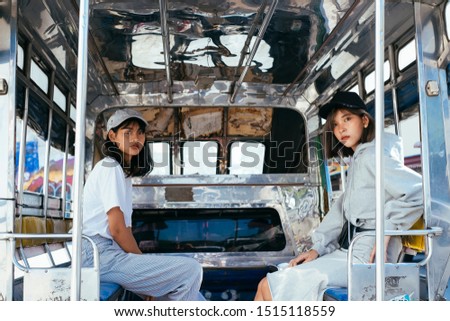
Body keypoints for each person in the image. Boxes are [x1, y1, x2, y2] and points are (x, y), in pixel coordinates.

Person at [254, 91, 423, 301]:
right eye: (335, 124)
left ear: (364, 120)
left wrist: (387, 230)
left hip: (365, 256)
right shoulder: (359, 159)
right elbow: (340, 212)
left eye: (347, 119)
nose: (340, 128)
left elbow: (417, 191)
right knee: (270, 282)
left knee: (270, 286)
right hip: (349, 250)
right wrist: (317, 249)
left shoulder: (372, 156)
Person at [81, 108, 205, 300]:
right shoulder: (109, 167)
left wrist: (146, 278)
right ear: (112, 136)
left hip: (110, 254)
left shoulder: (123, 175)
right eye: (127, 132)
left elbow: (125, 231)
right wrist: (142, 263)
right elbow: (117, 230)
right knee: (191, 270)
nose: (135, 138)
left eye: (140, 132)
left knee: (197, 298)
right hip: (97, 255)